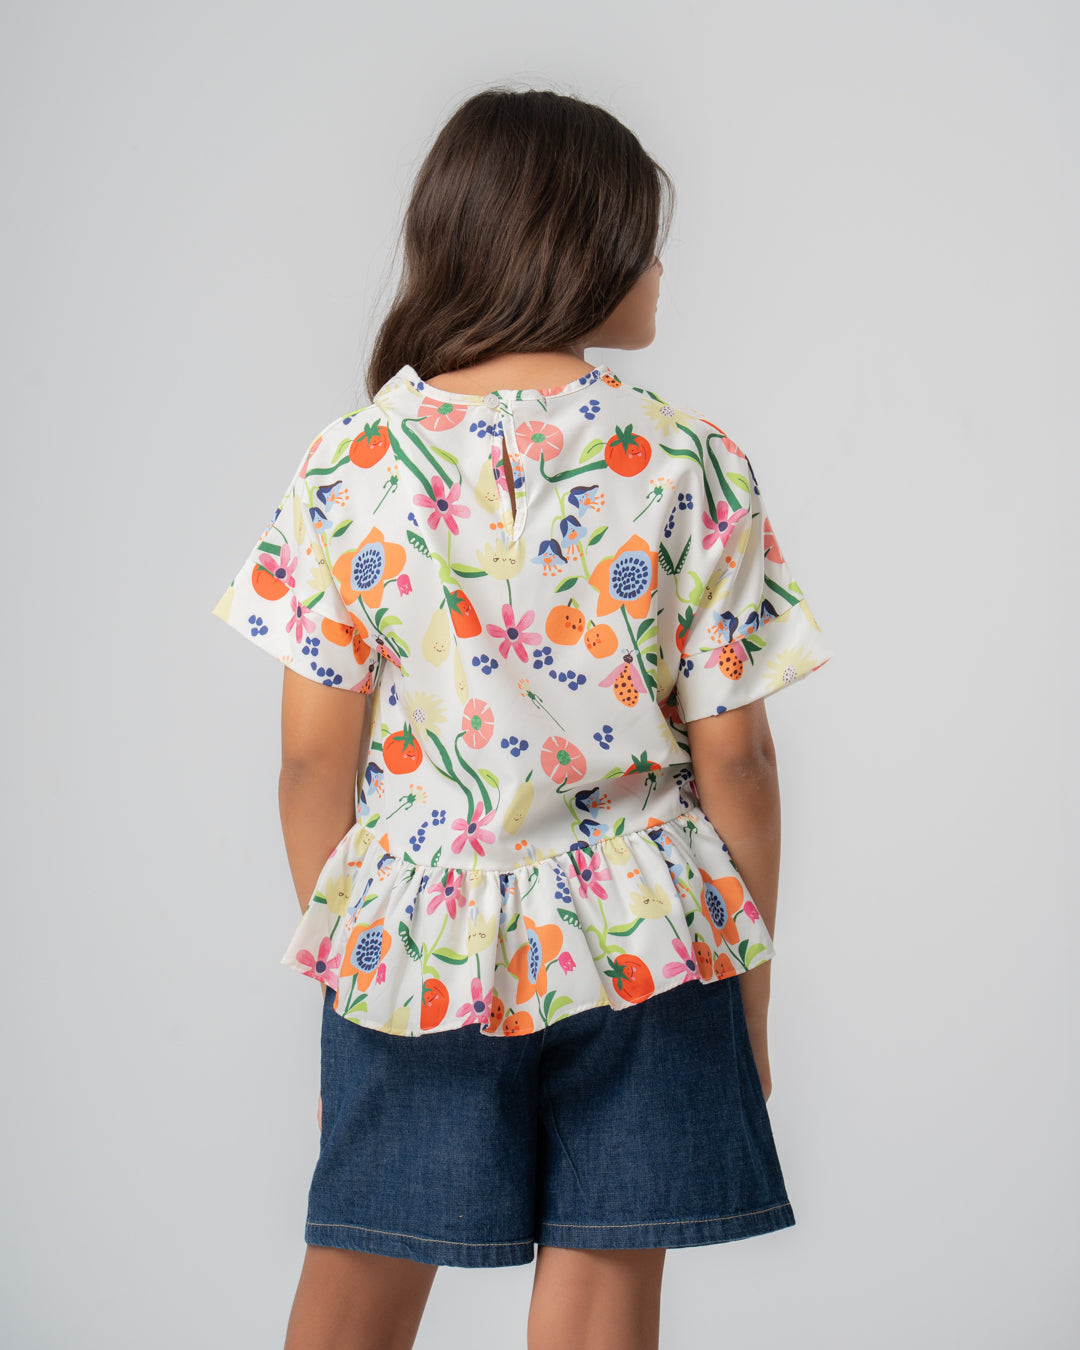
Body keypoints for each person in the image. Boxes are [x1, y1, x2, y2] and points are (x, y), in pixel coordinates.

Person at [211, 85, 835, 1350]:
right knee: (605, 1288)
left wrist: (357, 972)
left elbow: (309, 766)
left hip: (418, 935)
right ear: (572, 244)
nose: (659, 269)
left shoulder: (351, 462)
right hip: (654, 933)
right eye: (643, 239)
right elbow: (742, 764)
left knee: (359, 1284)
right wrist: (752, 990)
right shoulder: (688, 459)